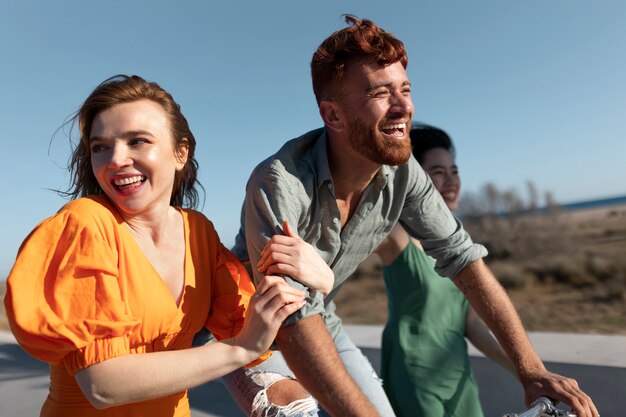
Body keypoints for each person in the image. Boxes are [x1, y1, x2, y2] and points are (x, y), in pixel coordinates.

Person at [225, 15, 599, 417]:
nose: (403, 106)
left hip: (322, 319)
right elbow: (291, 314)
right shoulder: (280, 182)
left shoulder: (403, 174)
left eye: (405, 89)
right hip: (245, 322)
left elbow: (464, 261)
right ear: (333, 116)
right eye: (381, 93)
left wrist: (532, 370)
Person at [3, 74, 331, 417]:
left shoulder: (198, 232)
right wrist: (239, 349)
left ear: (180, 153)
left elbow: (258, 331)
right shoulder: (84, 224)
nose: (115, 159)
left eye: (138, 141)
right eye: (100, 147)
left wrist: (314, 283)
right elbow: (102, 384)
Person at [375, 123, 515, 416]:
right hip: (413, 375)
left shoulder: (460, 247)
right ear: (416, 179)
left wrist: (528, 371)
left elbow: (472, 324)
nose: (451, 181)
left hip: (456, 371)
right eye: (438, 172)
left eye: (454, 171)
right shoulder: (397, 237)